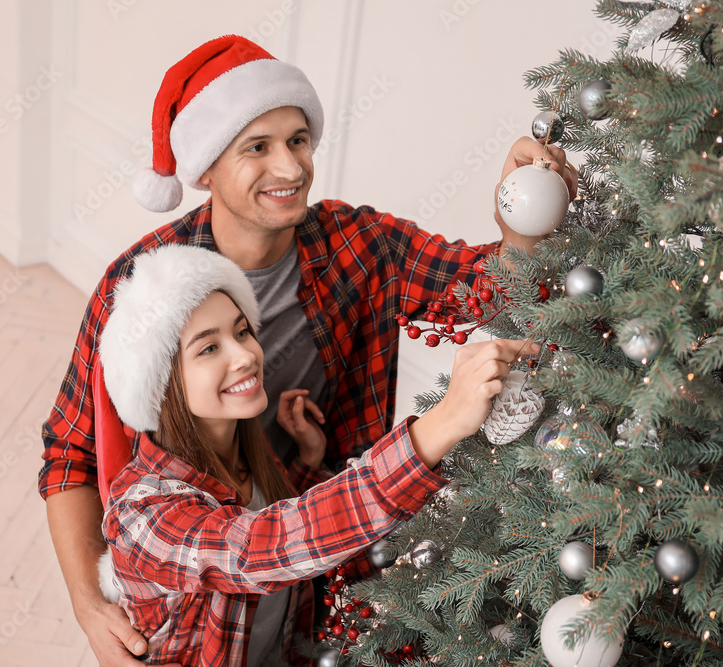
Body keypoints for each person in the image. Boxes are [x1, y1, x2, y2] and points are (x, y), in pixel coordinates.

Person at [38, 34, 577, 666]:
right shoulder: (144, 292)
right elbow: (70, 454)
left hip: (325, 563)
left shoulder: (357, 246)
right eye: (257, 148)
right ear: (207, 167)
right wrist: (88, 604)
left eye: (297, 140)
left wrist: (519, 222)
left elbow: (487, 294)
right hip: (216, 580)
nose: (291, 169)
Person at [95, 243, 536, 665]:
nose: (245, 355)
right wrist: (442, 423)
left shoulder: (240, 448)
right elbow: (260, 548)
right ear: (163, 386)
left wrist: (307, 464)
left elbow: (270, 517)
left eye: (242, 331)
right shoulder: (142, 514)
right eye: (209, 348)